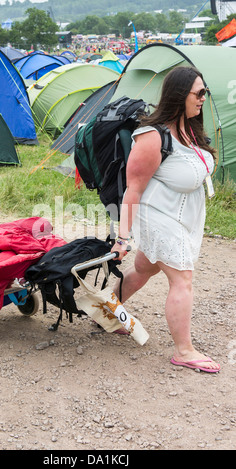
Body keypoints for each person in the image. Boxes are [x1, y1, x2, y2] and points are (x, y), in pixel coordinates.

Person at [111, 66, 220, 373]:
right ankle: (184, 351)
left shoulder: (189, 130)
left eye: (205, 92)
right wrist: (123, 238)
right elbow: (133, 189)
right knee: (182, 279)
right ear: (178, 95)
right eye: (198, 93)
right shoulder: (152, 137)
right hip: (157, 215)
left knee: (145, 269)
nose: (202, 99)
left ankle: (104, 310)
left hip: (181, 216)